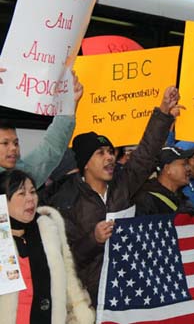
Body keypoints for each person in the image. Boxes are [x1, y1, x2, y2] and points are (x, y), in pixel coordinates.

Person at [46, 86, 182, 307]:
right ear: (85, 164)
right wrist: (94, 239)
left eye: (110, 151)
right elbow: (66, 259)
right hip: (91, 301)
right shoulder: (66, 201)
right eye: (100, 153)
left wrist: (163, 113)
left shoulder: (123, 184)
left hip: (131, 291)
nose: (109, 157)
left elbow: (146, 154)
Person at [0, 169, 94, 324]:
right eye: (22, 194)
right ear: (3, 201)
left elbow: (69, 281)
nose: (31, 199)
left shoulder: (47, 230)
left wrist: (79, 316)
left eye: (33, 192)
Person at [0, 68, 84, 188]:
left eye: (16, 143)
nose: (13, 148)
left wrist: (68, 104)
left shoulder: (24, 175)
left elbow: (50, 149)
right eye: (5, 143)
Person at [134, 146, 194, 216]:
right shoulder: (145, 200)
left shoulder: (183, 200)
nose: (189, 169)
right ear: (167, 169)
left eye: (187, 164)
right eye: (184, 164)